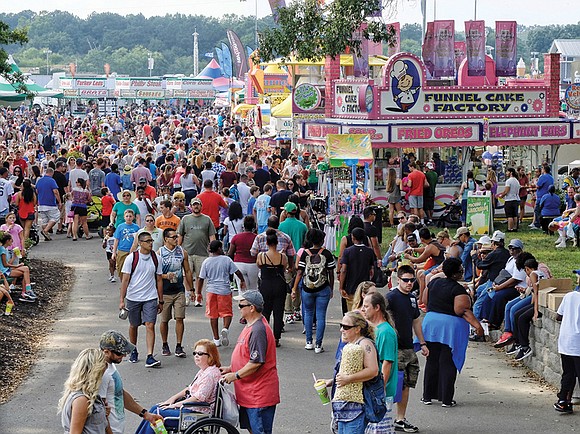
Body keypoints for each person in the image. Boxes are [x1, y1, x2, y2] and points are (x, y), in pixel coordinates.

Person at [422, 258, 484, 407]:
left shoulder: (434, 282)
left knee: (432, 360)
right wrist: (478, 326)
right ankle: (446, 399)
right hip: (448, 328)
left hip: (430, 325)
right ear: (457, 273)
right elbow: (461, 310)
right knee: (447, 362)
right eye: (461, 269)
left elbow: (424, 299)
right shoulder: (458, 290)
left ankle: (427, 396)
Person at [221, 291, 280, 434]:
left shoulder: (258, 330)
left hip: (258, 395)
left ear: (252, 308)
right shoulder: (251, 326)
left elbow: (256, 362)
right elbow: (247, 356)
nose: (238, 308)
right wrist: (231, 368)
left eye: (241, 305)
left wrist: (235, 375)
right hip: (248, 394)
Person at [134, 339, 222, 434]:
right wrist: (171, 399)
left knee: (157, 414)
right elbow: (189, 388)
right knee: (155, 408)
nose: (196, 356)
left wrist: (176, 404)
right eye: (195, 353)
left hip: (199, 413)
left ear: (210, 356)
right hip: (192, 408)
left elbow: (198, 398)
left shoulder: (209, 375)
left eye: (200, 353)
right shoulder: (204, 370)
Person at [386, 265, 428, 433]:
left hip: (409, 347)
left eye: (412, 280)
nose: (410, 283)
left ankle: (400, 418)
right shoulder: (391, 297)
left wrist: (423, 343)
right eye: (406, 280)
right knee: (394, 384)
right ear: (398, 279)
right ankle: (382, 418)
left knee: (406, 385)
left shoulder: (411, 298)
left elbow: (416, 320)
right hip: (396, 349)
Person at [323, 311, 379, 434]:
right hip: (344, 406)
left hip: (357, 407)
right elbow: (348, 372)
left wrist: (348, 379)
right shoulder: (350, 345)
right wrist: (332, 381)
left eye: (346, 327)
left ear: (357, 329)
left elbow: (373, 370)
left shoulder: (365, 344)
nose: (342, 330)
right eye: (341, 326)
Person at [99, 331, 163, 434]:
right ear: (106, 352)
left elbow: (120, 393)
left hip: (117, 428)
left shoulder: (110, 366)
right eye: (119, 353)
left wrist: (146, 414)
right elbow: (100, 410)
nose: (123, 355)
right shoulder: (102, 374)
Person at [119, 231, 164, 367]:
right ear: (140, 243)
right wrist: (122, 299)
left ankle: (150, 355)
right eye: (148, 241)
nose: (151, 243)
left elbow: (159, 280)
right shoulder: (131, 258)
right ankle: (133, 349)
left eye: (151, 241)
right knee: (134, 325)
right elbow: (125, 280)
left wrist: (160, 300)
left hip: (150, 297)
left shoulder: (156, 258)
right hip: (133, 297)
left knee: (150, 325)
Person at [292, 228, 335, 353]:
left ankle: (309, 341)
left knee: (308, 313)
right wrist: (331, 288)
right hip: (323, 288)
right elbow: (331, 273)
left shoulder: (305, 253)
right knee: (321, 316)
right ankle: (318, 345)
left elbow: (299, 272)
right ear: (322, 240)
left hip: (307, 288)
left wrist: (295, 288)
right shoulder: (327, 254)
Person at [361, 292, 399, 434]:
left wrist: (379, 390)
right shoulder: (375, 329)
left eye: (366, 306)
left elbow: (387, 363)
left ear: (377, 308)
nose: (363, 309)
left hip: (380, 392)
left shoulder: (385, 332)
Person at [197, 240, 246, 347]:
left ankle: (216, 339)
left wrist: (198, 293)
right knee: (227, 312)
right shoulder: (226, 260)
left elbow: (200, 279)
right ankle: (225, 328)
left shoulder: (206, 261)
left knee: (213, 315)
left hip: (211, 291)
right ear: (219, 248)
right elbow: (237, 272)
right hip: (224, 290)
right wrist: (242, 281)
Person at [159, 228, 194, 358]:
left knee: (179, 318)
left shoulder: (182, 252)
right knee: (165, 320)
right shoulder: (160, 253)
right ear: (166, 239)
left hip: (179, 290)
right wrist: (165, 276)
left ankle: (179, 346)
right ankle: (164, 343)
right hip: (165, 291)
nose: (176, 239)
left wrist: (191, 289)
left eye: (176, 237)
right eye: (173, 237)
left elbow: (188, 271)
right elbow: (156, 274)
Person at [58, 348, 109, 434]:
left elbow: (105, 426)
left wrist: (104, 414)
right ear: (95, 371)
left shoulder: (92, 395)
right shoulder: (81, 400)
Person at [177, 197, 216, 307]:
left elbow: (212, 236)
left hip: (202, 252)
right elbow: (180, 235)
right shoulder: (185, 219)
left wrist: (213, 251)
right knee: (186, 275)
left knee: (200, 277)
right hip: (187, 252)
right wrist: (177, 249)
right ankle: (189, 294)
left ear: (201, 206)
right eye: (194, 205)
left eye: (198, 204)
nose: (196, 206)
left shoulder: (207, 219)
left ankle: (198, 296)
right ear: (191, 206)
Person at [257, 229, 289, 348]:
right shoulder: (282, 257)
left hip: (265, 284)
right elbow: (285, 268)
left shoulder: (262, 256)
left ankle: (265, 336)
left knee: (265, 311)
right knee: (278, 311)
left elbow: (259, 265)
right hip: (279, 285)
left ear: (266, 243)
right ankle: (276, 338)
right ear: (277, 243)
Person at [554, 285, 580, 414]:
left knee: (568, 373)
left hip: (566, 341)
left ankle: (563, 401)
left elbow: (558, 316)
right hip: (578, 342)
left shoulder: (569, 296)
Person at [340, 227, 375, 314]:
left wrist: (341, 287)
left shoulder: (347, 251)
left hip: (351, 288)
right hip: (364, 288)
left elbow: (343, 270)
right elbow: (372, 271)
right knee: (364, 311)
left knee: (352, 313)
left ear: (353, 237)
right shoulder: (369, 251)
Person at [0, 233, 36, 302]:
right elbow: (5, 264)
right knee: (25, 270)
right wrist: (16, 266)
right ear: (7, 241)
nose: (12, 241)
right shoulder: (2, 250)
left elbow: (9, 263)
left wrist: (14, 256)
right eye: (11, 240)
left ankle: (26, 292)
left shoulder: (5, 249)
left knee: (25, 269)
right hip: (4, 272)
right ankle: (27, 291)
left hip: (7, 269)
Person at [228, 215, 259, 292]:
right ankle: (252, 304)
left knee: (242, 289)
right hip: (253, 264)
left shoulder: (236, 237)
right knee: (253, 288)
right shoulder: (257, 237)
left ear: (243, 226)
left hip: (239, 264)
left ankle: (243, 303)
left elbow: (230, 253)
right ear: (254, 226)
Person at [497, 168, 521, 232]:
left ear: (511, 173)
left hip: (509, 200)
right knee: (515, 215)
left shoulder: (508, 181)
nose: (506, 173)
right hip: (516, 199)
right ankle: (515, 227)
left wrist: (502, 195)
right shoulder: (516, 181)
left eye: (507, 172)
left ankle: (510, 228)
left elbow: (507, 190)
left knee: (509, 215)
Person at [530, 165, 554, 230]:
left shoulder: (543, 177)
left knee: (537, 210)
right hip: (548, 196)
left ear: (544, 170)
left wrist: (533, 185)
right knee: (544, 210)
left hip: (541, 196)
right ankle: (544, 224)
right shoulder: (551, 177)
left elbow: (538, 185)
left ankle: (538, 224)